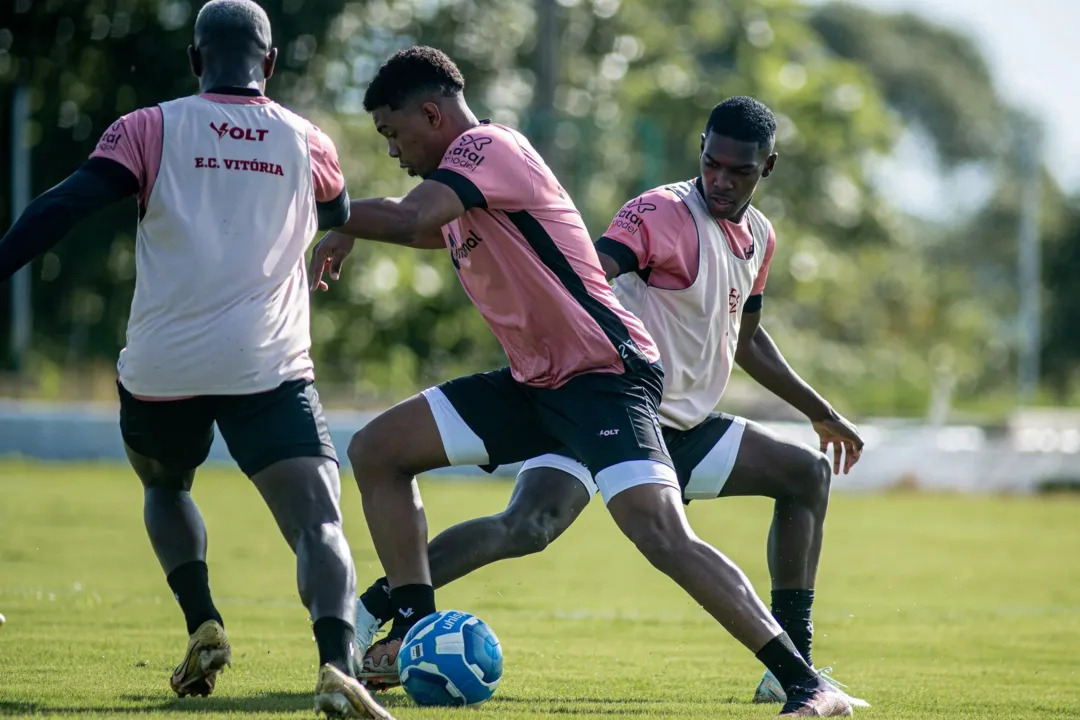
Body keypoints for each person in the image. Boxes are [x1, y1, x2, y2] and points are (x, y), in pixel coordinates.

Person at [312, 47, 853, 717]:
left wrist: (323, 208)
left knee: (659, 533)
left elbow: (408, 218)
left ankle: (806, 684)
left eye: (395, 133)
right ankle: (417, 633)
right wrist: (354, 228)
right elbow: (415, 224)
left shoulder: (488, 148)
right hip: (538, 382)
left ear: (432, 112)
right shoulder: (463, 195)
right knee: (379, 450)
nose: (393, 149)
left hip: (603, 373)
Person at [0, 1, 389, 717]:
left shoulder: (149, 127)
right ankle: (338, 666)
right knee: (318, 523)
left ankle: (202, 620)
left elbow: (64, 205)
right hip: (266, 367)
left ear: (194, 60)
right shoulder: (310, 141)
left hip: (162, 369)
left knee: (166, 487)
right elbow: (337, 213)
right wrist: (337, 236)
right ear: (269, 63)